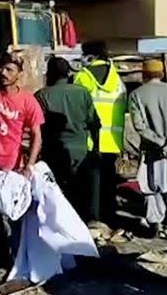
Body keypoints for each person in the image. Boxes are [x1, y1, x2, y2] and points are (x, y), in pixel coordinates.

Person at [0, 53, 44, 265]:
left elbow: (37, 136)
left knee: (13, 217)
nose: (5, 74)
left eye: (10, 70)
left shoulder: (27, 100)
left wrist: (29, 166)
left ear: (19, 75)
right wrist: (0, 65)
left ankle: (16, 259)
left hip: (13, 167)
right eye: (3, 70)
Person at [35, 57, 101, 221]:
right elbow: (95, 123)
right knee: (80, 193)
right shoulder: (82, 93)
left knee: (57, 195)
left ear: (49, 74)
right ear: (68, 73)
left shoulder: (42, 95)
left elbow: (36, 127)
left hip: (53, 152)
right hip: (80, 151)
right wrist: (96, 148)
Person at [129, 59, 167, 237]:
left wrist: (160, 142)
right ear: (162, 73)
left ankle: (155, 222)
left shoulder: (136, 95)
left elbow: (139, 125)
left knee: (151, 187)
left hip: (152, 150)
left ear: (144, 74)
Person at [73, 40, 126, 225]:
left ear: (91, 56)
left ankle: (93, 217)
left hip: (90, 138)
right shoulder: (117, 79)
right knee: (109, 180)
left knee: (91, 181)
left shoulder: (83, 77)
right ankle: (110, 214)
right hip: (112, 139)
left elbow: (77, 107)